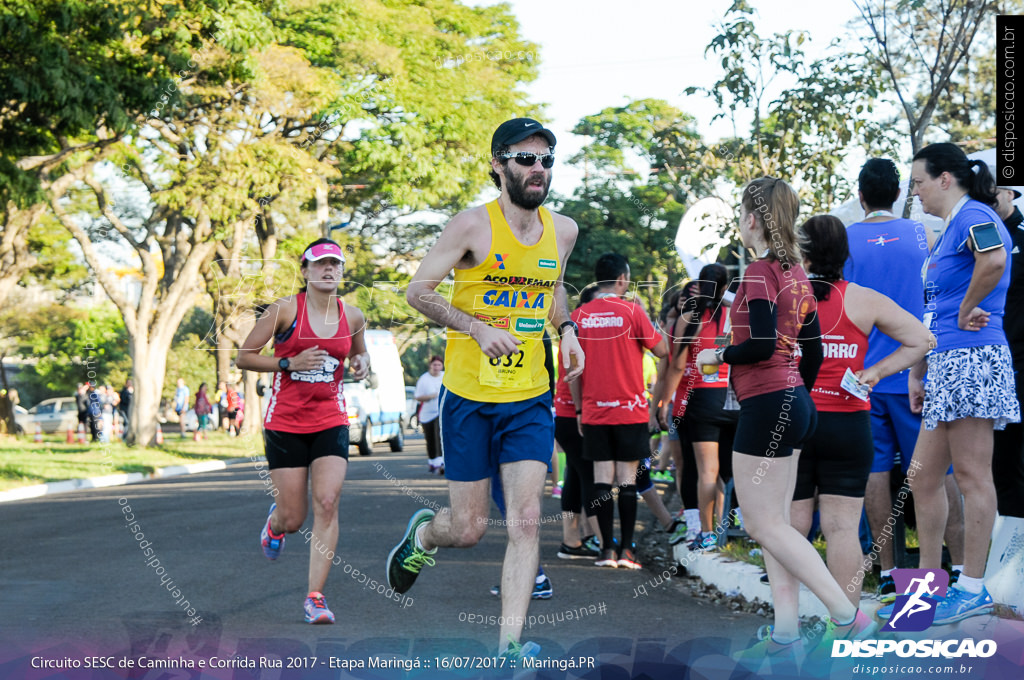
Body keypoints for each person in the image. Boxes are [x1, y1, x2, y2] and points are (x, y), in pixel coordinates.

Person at [389, 117, 584, 658]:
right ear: (499, 165)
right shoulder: (471, 226)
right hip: (469, 395)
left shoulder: (562, 230)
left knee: (525, 521)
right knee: (469, 527)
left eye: (546, 158)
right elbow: (418, 292)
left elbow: (554, 286)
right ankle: (425, 536)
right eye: (526, 158)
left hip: (529, 395)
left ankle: (509, 650)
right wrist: (475, 326)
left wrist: (565, 329)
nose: (538, 168)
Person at [695, 177, 873, 665]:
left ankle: (846, 615)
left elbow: (756, 345)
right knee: (775, 523)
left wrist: (716, 356)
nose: (738, 221)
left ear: (752, 219)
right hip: (796, 402)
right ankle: (786, 633)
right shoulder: (797, 273)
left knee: (763, 523)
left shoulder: (757, 272)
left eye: (739, 213)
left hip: (771, 403)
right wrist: (797, 391)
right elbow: (810, 349)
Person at [885, 144, 1018, 625]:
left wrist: (966, 310)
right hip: (943, 362)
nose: (914, 191)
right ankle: (923, 592)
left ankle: (973, 587)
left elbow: (995, 261)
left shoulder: (975, 214)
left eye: (918, 182)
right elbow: (930, 312)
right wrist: (918, 371)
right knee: (922, 478)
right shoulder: (945, 232)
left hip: (972, 358)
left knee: (972, 477)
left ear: (945, 179)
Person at [790, 215, 932, 606]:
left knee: (791, 526)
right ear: (845, 254)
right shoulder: (863, 298)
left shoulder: (786, 299)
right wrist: (874, 373)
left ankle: (788, 619)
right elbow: (923, 339)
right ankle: (845, 621)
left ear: (803, 252)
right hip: (849, 423)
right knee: (841, 529)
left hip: (797, 421)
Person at [845, 158, 964, 599]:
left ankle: (891, 574)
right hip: (918, 370)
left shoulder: (845, 241)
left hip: (864, 376)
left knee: (875, 472)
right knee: (938, 475)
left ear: (861, 195)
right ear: (899, 194)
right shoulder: (925, 234)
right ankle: (963, 568)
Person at [236, 237, 369, 625]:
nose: (329, 269)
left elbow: (360, 355)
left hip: (331, 419)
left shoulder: (354, 316)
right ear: (306, 271)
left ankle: (315, 597)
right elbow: (245, 356)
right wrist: (287, 363)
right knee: (294, 519)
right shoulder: (284, 310)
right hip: (286, 423)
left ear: (342, 271)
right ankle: (275, 525)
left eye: (335, 264)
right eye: (320, 264)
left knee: (327, 503)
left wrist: (361, 366)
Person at [570, 253, 668, 570]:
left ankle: (606, 551)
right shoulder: (632, 311)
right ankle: (627, 551)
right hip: (630, 411)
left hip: (595, 411)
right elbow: (662, 351)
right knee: (626, 481)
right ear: (623, 280)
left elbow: (572, 369)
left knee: (601, 480)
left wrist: (580, 410)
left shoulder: (579, 315)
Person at [654, 263, 737, 553]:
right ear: (725, 287)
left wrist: (665, 402)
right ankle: (732, 532)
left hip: (700, 399)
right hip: (734, 398)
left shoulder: (689, 318)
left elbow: (676, 365)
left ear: (700, 286)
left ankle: (707, 534)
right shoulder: (738, 315)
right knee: (731, 472)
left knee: (706, 471)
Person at [988, 167, 1024, 521]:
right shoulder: (982, 233)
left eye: (995, 192)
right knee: (1004, 459)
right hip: (997, 360)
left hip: (1020, 360)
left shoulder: (1020, 236)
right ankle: (1007, 557)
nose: (990, 199)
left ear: (1011, 193)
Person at [414, 356, 445, 474]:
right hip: (427, 414)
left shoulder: (445, 377)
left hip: (440, 412)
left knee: (439, 435)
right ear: (430, 366)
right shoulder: (424, 379)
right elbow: (417, 396)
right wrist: (430, 396)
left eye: (439, 365)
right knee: (430, 439)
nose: (437, 367)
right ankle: (432, 462)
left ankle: (441, 463)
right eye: (434, 365)